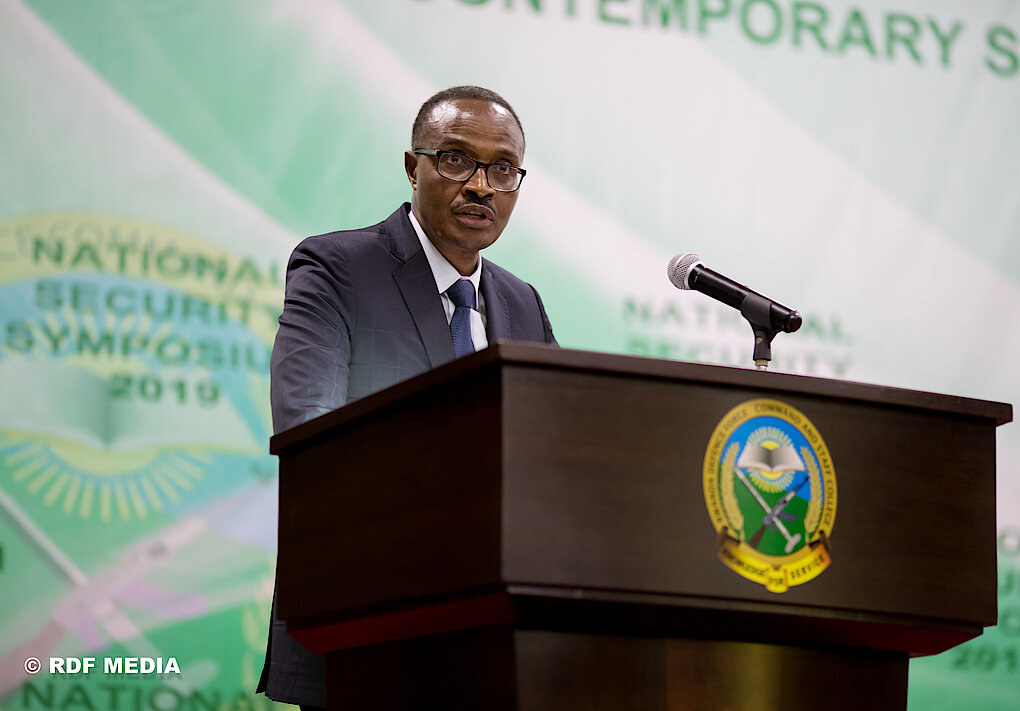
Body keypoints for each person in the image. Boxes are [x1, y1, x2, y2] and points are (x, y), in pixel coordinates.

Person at [257, 86, 557, 709]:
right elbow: (311, 433)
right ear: (412, 167)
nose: (481, 186)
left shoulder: (522, 302)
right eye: (455, 159)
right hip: (366, 635)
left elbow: (555, 456)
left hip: (496, 651)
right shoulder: (337, 268)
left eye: (503, 168)